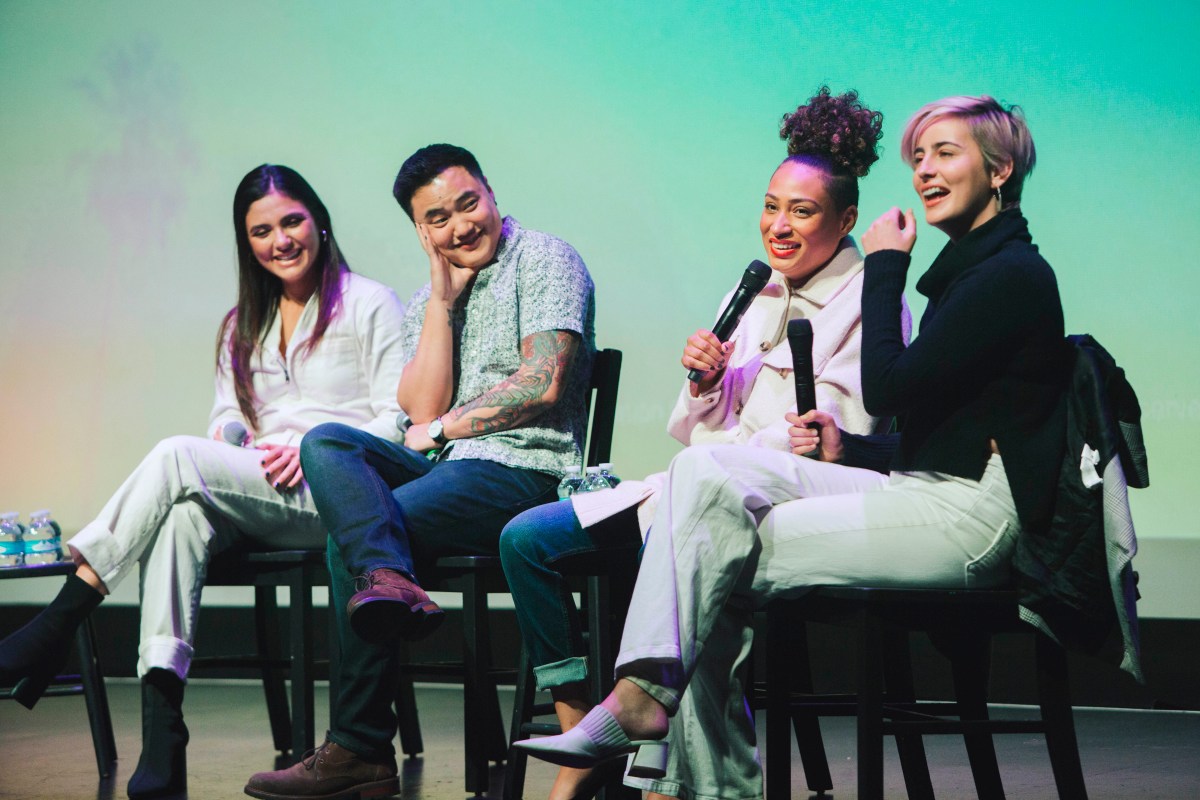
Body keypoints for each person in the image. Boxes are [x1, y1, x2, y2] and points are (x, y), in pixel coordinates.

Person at [517, 94, 1071, 800]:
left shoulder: (1010, 275)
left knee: (708, 551)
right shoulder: (971, 272)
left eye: (946, 154)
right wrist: (849, 447)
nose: (925, 171)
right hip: (920, 488)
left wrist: (884, 268)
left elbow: (890, 389)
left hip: (971, 517)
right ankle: (661, 721)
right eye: (920, 157)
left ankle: (677, 750)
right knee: (704, 512)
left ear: (1001, 170)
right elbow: (934, 426)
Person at [501, 87, 908, 800]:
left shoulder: (868, 298)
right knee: (529, 539)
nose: (778, 226)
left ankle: (667, 774)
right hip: (701, 481)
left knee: (695, 575)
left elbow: (851, 432)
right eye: (770, 206)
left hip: (780, 504)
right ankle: (591, 728)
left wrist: (744, 437)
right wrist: (705, 383)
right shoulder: (753, 292)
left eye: (801, 212)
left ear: (845, 219)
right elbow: (701, 435)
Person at [0, 164, 408, 799]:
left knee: (173, 457)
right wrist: (239, 442)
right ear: (247, 243)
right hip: (261, 488)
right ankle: (163, 736)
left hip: (339, 494)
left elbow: (397, 419)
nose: (281, 240)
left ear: (320, 222)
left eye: (292, 221)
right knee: (181, 516)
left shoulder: (369, 302)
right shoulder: (241, 322)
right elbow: (225, 419)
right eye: (262, 231)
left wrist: (316, 445)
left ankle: (58, 623)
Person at [244, 143, 596, 800]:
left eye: (469, 204)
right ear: (420, 229)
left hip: (527, 471)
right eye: (439, 218)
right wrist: (440, 301)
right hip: (452, 469)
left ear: (490, 192)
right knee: (327, 444)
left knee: (356, 534)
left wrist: (441, 431)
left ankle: (358, 747)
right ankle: (389, 586)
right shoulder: (427, 299)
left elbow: (542, 384)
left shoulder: (545, 258)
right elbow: (421, 407)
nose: (460, 226)